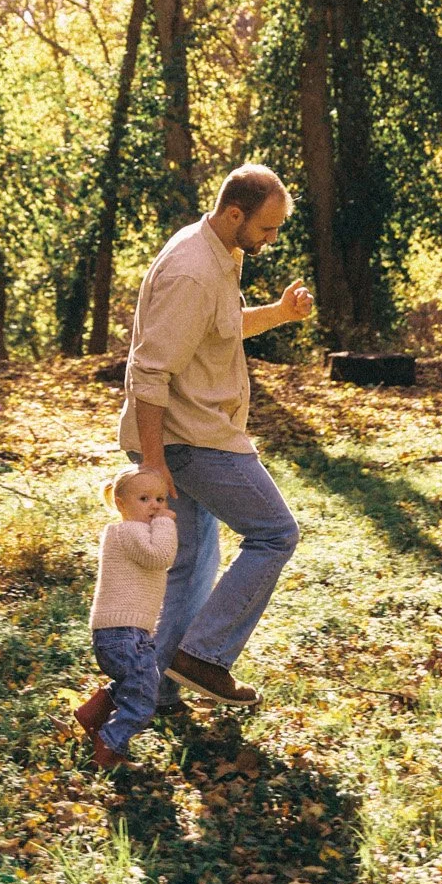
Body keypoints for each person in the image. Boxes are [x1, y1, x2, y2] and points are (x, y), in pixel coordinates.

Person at [119, 163, 313, 710]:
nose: (271, 240)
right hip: (188, 440)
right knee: (275, 534)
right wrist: (154, 466)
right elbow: (148, 372)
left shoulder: (217, 253)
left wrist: (277, 313)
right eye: (266, 229)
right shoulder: (193, 270)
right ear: (234, 214)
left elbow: (216, 327)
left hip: (190, 434)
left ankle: (151, 691)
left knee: (188, 567)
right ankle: (202, 658)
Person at [75, 467, 178, 768]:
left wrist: (157, 521)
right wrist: (166, 524)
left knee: (137, 682)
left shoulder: (127, 533)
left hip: (122, 633)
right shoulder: (130, 531)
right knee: (144, 697)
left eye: (160, 499)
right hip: (124, 634)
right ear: (121, 503)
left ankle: (92, 714)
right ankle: (108, 746)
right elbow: (161, 556)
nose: (156, 506)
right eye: (144, 498)